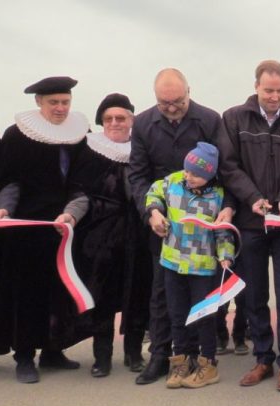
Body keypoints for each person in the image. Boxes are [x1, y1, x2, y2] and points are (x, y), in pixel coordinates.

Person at [129, 68, 227, 385]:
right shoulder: (143, 124)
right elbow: (138, 176)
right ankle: (162, 356)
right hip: (164, 225)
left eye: (177, 101)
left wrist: (228, 209)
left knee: (202, 297)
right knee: (162, 293)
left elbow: (226, 170)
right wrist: (152, 213)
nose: (171, 108)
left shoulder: (210, 120)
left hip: (202, 229)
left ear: (189, 91)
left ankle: (204, 357)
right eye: (164, 102)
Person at [217, 60, 280, 391]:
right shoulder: (233, 119)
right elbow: (228, 166)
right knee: (253, 294)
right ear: (256, 86)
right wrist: (253, 197)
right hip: (249, 220)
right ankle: (262, 359)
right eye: (269, 90)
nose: (275, 97)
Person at [0, 76, 89, 383]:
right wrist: (5, 208)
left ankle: (53, 349)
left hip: (65, 227)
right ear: (38, 102)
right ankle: (24, 356)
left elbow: (82, 181)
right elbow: (10, 180)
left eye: (65, 102)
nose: (61, 108)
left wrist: (72, 212)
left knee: (59, 292)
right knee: (27, 293)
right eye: (53, 103)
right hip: (26, 229)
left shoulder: (80, 133)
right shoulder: (17, 135)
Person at [68, 93, 151, 377]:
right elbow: (77, 190)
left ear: (132, 120)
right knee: (101, 295)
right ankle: (101, 357)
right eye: (108, 119)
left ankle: (134, 353)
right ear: (102, 122)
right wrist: (73, 215)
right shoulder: (89, 149)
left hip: (139, 233)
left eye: (121, 118)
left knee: (138, 292)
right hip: (99, 236)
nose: (115, 123)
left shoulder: (142, 150)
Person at [145, 142, 234, 388]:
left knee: (203, 316)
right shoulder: (172, 181)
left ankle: (208, 364)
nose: (189, 176)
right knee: (176, 315)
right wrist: (155, 211)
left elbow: (222, 231)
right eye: (187, 170)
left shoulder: (218, 196)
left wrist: (226, 254)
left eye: (195, 174)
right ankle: (181, 362)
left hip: (203, 267)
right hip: (173, 262)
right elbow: (152, 193)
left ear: (209, 174)